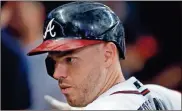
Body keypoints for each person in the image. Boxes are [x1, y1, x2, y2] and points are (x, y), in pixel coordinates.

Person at [27, 1, 181, 110]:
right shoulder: (153, 94)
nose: (57, 74)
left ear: (108, 54)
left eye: (70, 59)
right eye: (53, 62)